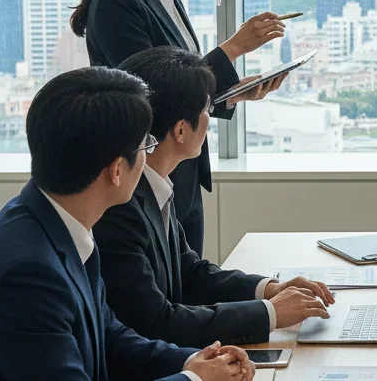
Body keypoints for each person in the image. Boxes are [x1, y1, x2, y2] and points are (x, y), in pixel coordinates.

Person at [0, 67, 255, 381]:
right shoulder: (29, 269)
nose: (149, 156)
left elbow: (112, 336)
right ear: (117, 170)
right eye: (145, 147)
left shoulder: (54, 222)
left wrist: (191, 363)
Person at [70, 0, 288, 256]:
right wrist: (233, 47)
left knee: (190, 286)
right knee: (171, 302)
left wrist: (231, 94)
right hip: (148, 177)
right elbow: (150, 94)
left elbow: (181, 84)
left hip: (179, 175)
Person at [94, 47, 333, 348]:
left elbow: (191, 273)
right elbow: (155, 322)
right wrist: (269, 314)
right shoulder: (121, 205)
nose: (209, 119)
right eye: (206, 110)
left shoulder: (154, 184)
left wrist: (269, 289)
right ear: (181, 130)